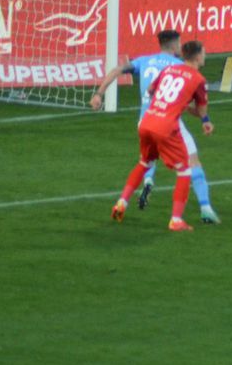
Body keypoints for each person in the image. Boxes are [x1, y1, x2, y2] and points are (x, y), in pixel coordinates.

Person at [89, 30, 218, 224]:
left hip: (146, 119)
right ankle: (199, 211)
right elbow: (196, 108)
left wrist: (99, 94)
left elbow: (125, 75)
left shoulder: (145, 60)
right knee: (189, 164)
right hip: (168, 122)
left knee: (145, 162)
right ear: (175, 46)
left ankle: (131, 195)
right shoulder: (180, 67)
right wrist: (203, 118)